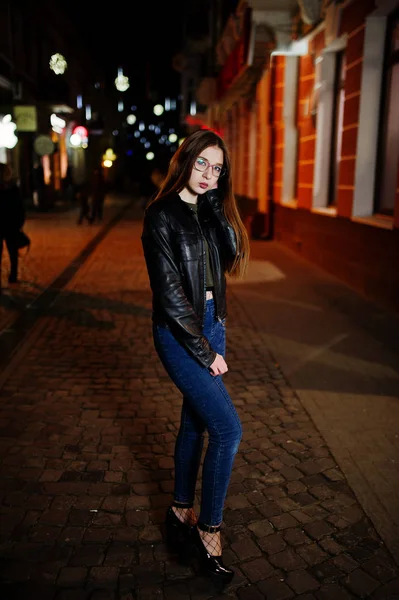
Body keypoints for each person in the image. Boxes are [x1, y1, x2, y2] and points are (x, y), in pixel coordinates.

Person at [141, 129, 250, 590]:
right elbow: (169, 297)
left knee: (195, 424)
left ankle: (180, 509)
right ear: (184, 160)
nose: (209, 174)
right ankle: (209, 530)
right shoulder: (160, 215)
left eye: (217, 168)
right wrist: (206, 353)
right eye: (202, 163)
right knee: (228, 429)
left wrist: (217, 206)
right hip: (179, 331)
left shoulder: (208, 210)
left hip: (213, 321)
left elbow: (232, 257)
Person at [0, 163, 26, 293]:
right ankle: (13, 275)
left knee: (12, 251)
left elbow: (19, 208)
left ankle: (13, 274)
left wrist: (19, 223)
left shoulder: (13, 189)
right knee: (12, 252)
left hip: (9, 225)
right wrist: (19, 223)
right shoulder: (13, 188)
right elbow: (19, 208)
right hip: (10, 225)